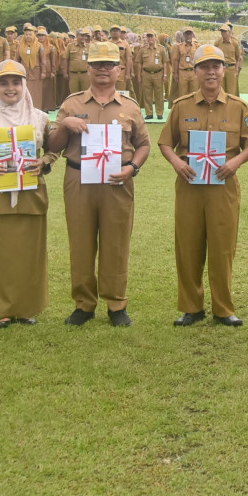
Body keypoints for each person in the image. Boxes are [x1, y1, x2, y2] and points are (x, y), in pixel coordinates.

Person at [48, 41, 150, 327]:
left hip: (117, 182)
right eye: (96, 64)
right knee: (80, 242)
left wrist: (132, 167)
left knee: (116, 243)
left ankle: (116, 304)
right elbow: (53, 145)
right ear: (88, 68)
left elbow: (143, 145)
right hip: (79, 178)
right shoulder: (72, 104)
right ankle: (84, 304)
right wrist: (65, 124)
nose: (102, 69)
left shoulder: (129, 106)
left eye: (108, 64)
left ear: (120, 69)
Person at [159, 45, 248, 326]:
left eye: (216, 66)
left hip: (222, 186)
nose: (211, 71)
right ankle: (192, 307)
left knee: (222, 248)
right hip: (190, 185)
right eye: (205, 67)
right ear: (195, 72)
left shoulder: (238, 107)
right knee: (188, 246)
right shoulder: (182, 106)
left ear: (224, 70)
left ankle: (223, 308)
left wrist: (235, 163)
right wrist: (177, 164)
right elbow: (166, 142)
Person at [0, 59, 60, 327]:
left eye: (16, 82)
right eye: (4, 83)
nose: (10, 88)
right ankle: (4, 310)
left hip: (32, 195)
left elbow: (54, 149)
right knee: (1, 256)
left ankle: (27, 308)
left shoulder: (40, 118)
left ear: (24, 85)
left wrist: (44, 162)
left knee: (31, 254)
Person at [135, 29, 168, 120]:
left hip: (158, 73)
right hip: (146, 73)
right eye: (148, 36)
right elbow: (139, 63)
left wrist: (165, 75)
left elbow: (165, 62)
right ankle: (149, 113)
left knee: (159, 94)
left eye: (151, 36)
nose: (150, 38)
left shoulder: (161, 49)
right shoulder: (143, 50)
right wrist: (138, 75)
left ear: (155, 37)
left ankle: (159, 113)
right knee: (147, 94)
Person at [214, 23, 243, 96]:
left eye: (224, 31)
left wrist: (237, 69)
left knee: (231, 91)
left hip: (231, 68)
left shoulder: (236, 43)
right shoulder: (217, 43)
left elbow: (238, 57)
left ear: (229, 32)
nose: (223, 33)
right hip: (221, 68)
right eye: (222, 31)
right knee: (221, 90)